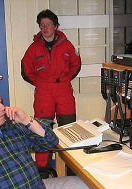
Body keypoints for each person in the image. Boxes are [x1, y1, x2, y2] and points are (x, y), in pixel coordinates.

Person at [21, 9, 81, 170]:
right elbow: (26, 71)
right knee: (41, 129)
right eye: (42, 25)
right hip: (44, 92)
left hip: (64, 90)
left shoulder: (67, 45)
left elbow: (76, 64)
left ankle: (71, 167)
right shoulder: (34, 48)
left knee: (68, 129)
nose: (45, 28)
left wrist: (65, 79)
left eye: (48, 24)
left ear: (56, 26)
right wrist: (41, 83)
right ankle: (43, 169)